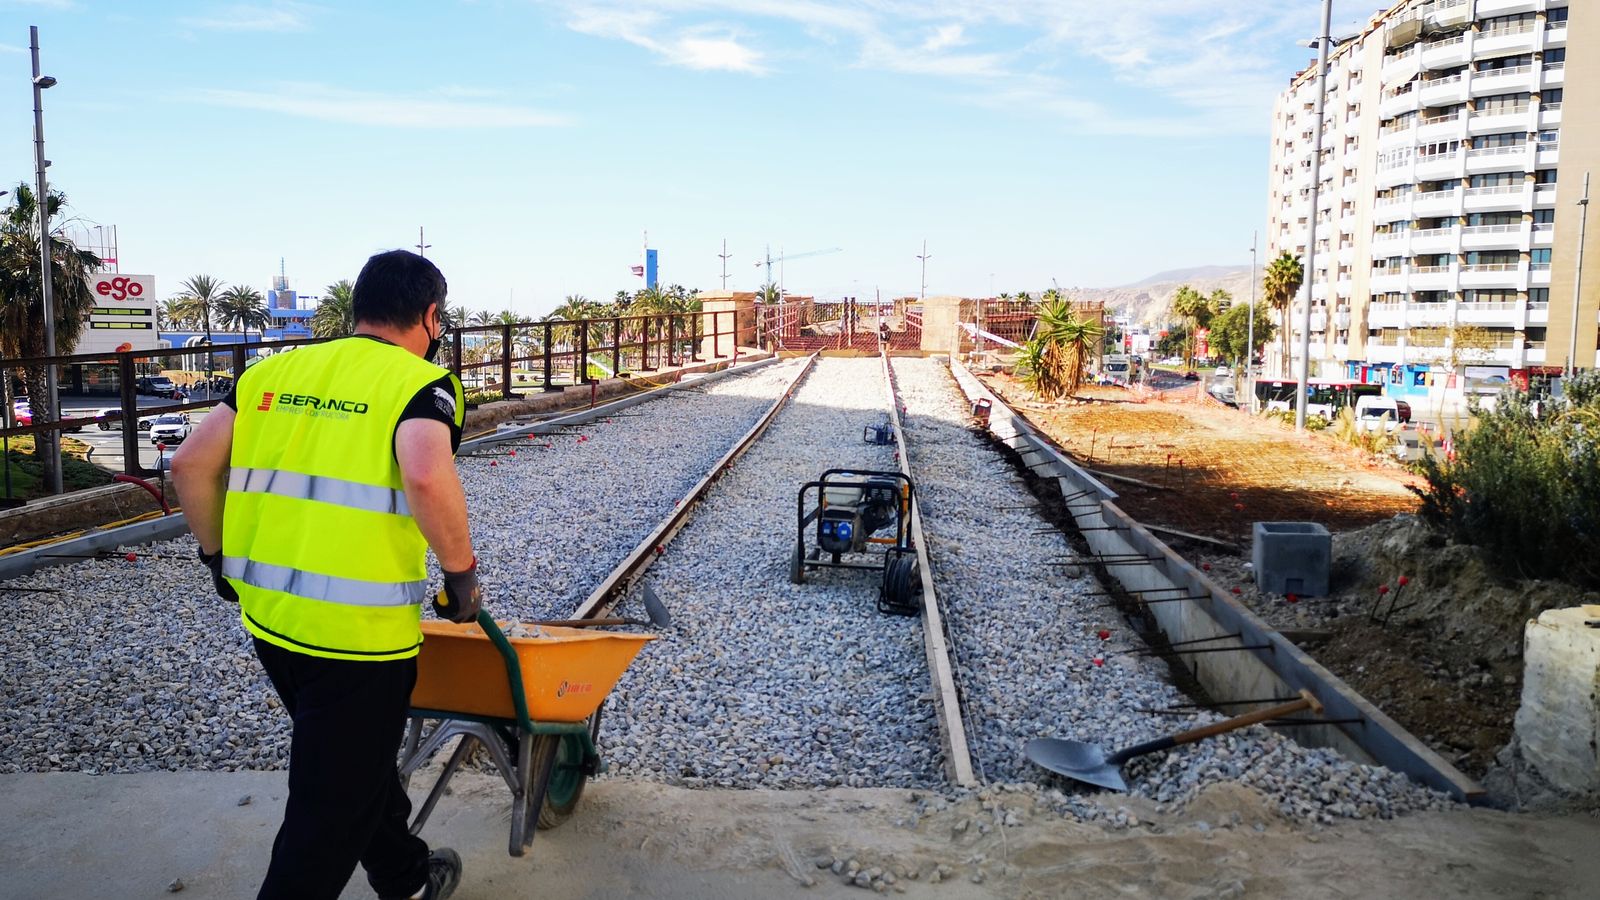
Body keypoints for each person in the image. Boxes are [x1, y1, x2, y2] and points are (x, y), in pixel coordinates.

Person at [172, 249, 482, 900]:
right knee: (324, 819)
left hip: (273, 625)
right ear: (430, 317)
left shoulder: (271, 373)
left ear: (357, 309)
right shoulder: (419, 385)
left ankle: (405, 876)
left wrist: (216, 559)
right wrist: (463, 578)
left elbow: (190, 466)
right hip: (360, 642)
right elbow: (426, 473)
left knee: (353, 769)